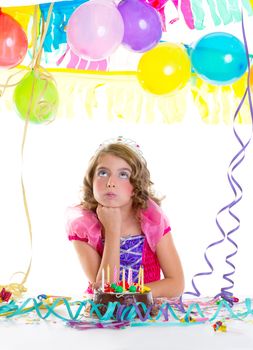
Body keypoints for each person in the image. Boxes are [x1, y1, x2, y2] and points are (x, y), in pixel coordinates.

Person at [66, 136, 184, 298]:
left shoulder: (152, 220)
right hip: (104, 315)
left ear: (136, 186)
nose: (110, 182)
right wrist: (112, 230)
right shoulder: (83, 226)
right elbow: (105, 291)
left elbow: (176, 283)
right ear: (91, 181)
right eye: (103, 173)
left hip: (145, 312)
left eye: (123, 174)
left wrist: (133, 296)